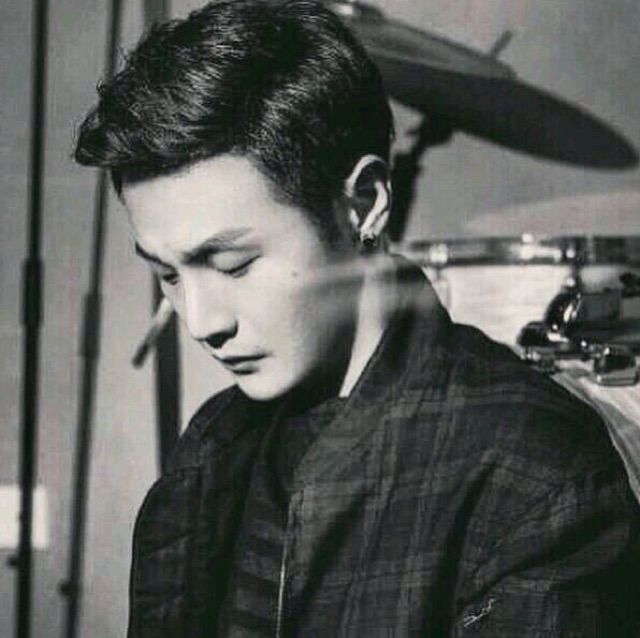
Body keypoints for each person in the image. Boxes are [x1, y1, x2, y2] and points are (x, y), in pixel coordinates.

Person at [74, 1, 640, 636]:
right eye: (169, 274)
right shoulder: (211, 444)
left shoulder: (534, 469)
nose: (201, 322)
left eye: (234, 265)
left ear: (364, 204)